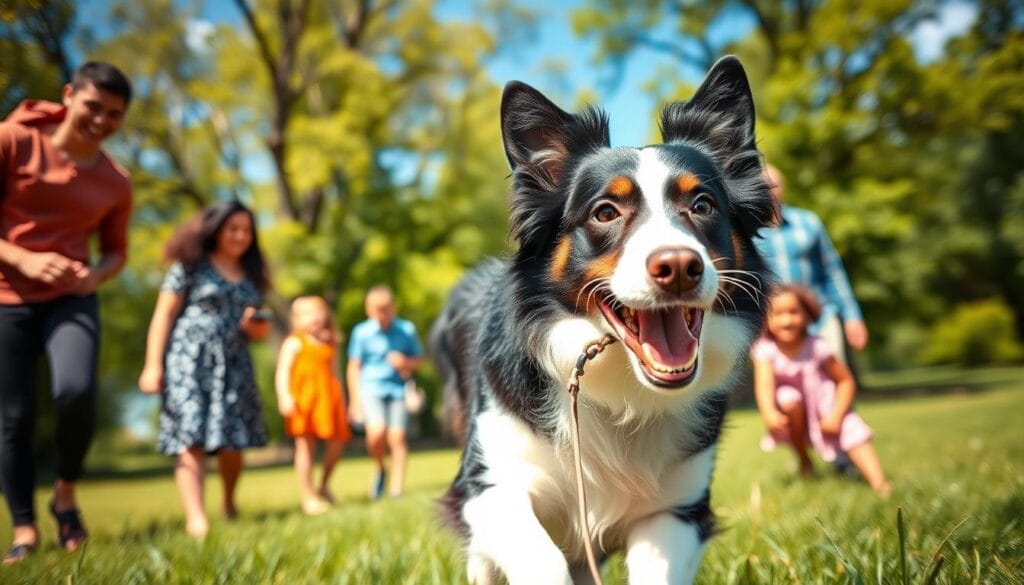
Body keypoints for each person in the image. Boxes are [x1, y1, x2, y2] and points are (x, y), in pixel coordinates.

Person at [0, 61, 133, 563]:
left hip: (71, 299)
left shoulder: (116, 181)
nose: (101, 120)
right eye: (93, 107)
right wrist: (24, 258)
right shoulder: (12, 141)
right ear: (68, 96)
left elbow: (117, 250)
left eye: (114, 115)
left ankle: (66, 494)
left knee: (76, 391)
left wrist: (95, 276)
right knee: (13, 417)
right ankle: (24, 527)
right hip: (6, 295)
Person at [138, 200, 270, 538]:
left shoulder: (252, 276)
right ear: (215, 229)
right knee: (190, 436)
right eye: (233, 228)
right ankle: (196, 517)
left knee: (232, 442)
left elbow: (258, 330)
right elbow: (164, 314)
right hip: (188, 360)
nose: (241, 236)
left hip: (234, 362)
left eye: (247, 230)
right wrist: (153, 365)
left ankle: (228, 500)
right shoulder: (190, 267)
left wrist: (256, 328)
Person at [752, 284, 890, 495]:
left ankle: (880, 485)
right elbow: (764, 385)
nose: (787, 320)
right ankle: (804, 460)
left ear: (808, 315)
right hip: (793, 410)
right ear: (765, 319)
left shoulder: (818, 346)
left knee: (854, 434)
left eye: (794, 312)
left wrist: (837, 414)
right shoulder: (765, 349)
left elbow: (845, 381)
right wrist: (769, 414)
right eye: (777, 314)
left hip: (827, 406)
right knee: (788, 398)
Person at [756, 163, 868, 365]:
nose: (770, 191)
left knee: (832, 385)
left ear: (783, 188)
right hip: (772, 327)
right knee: (784, 393)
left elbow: (833, 271)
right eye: (762, 186)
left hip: (820, 319)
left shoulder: (808, 223)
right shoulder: (744, 232)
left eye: (775, 185)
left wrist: (852, 316)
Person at [275, 295, 351, 515]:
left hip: (329, 399)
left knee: (337, 443)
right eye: (307, 313)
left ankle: (324, 485)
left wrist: (343, 401)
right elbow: (283, 371)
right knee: (305, 448)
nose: (315, 317)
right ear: (297, 319)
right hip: (304, 400)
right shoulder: (295, 341)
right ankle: (307, 496)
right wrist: (284, 396)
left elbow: (335, 373)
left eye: (318, 311)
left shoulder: (330, 342)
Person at [347, 285, 422, 499]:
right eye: (377, 310)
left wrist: (405, 361)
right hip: (370, 389)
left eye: (386, 309)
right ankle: (381, 467)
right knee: (376, 433)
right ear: (368, 310)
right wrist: (354, 401)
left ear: (393, 308)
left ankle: (396, 490)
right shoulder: (361, 333)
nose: (382, 314)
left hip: (397, 390)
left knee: (397, 438)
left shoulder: (406, 329)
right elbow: (354, 367)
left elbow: (418, 361)